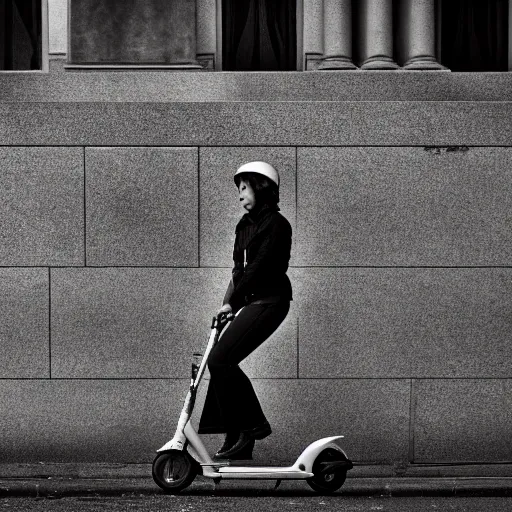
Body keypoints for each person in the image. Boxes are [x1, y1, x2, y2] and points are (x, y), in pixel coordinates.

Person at [198, 161, 293, 460]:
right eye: (238, 189)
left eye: (244, 187)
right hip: (251, 301)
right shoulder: (244, 226)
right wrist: (227, 303)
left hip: (271, 301)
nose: (239, 194)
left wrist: (234, 302)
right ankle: (237, 436)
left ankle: (252, 425)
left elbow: (260, 267)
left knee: (221, 360)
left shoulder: (277, 225)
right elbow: (238, 271)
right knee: (220, 361)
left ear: (261, 187)